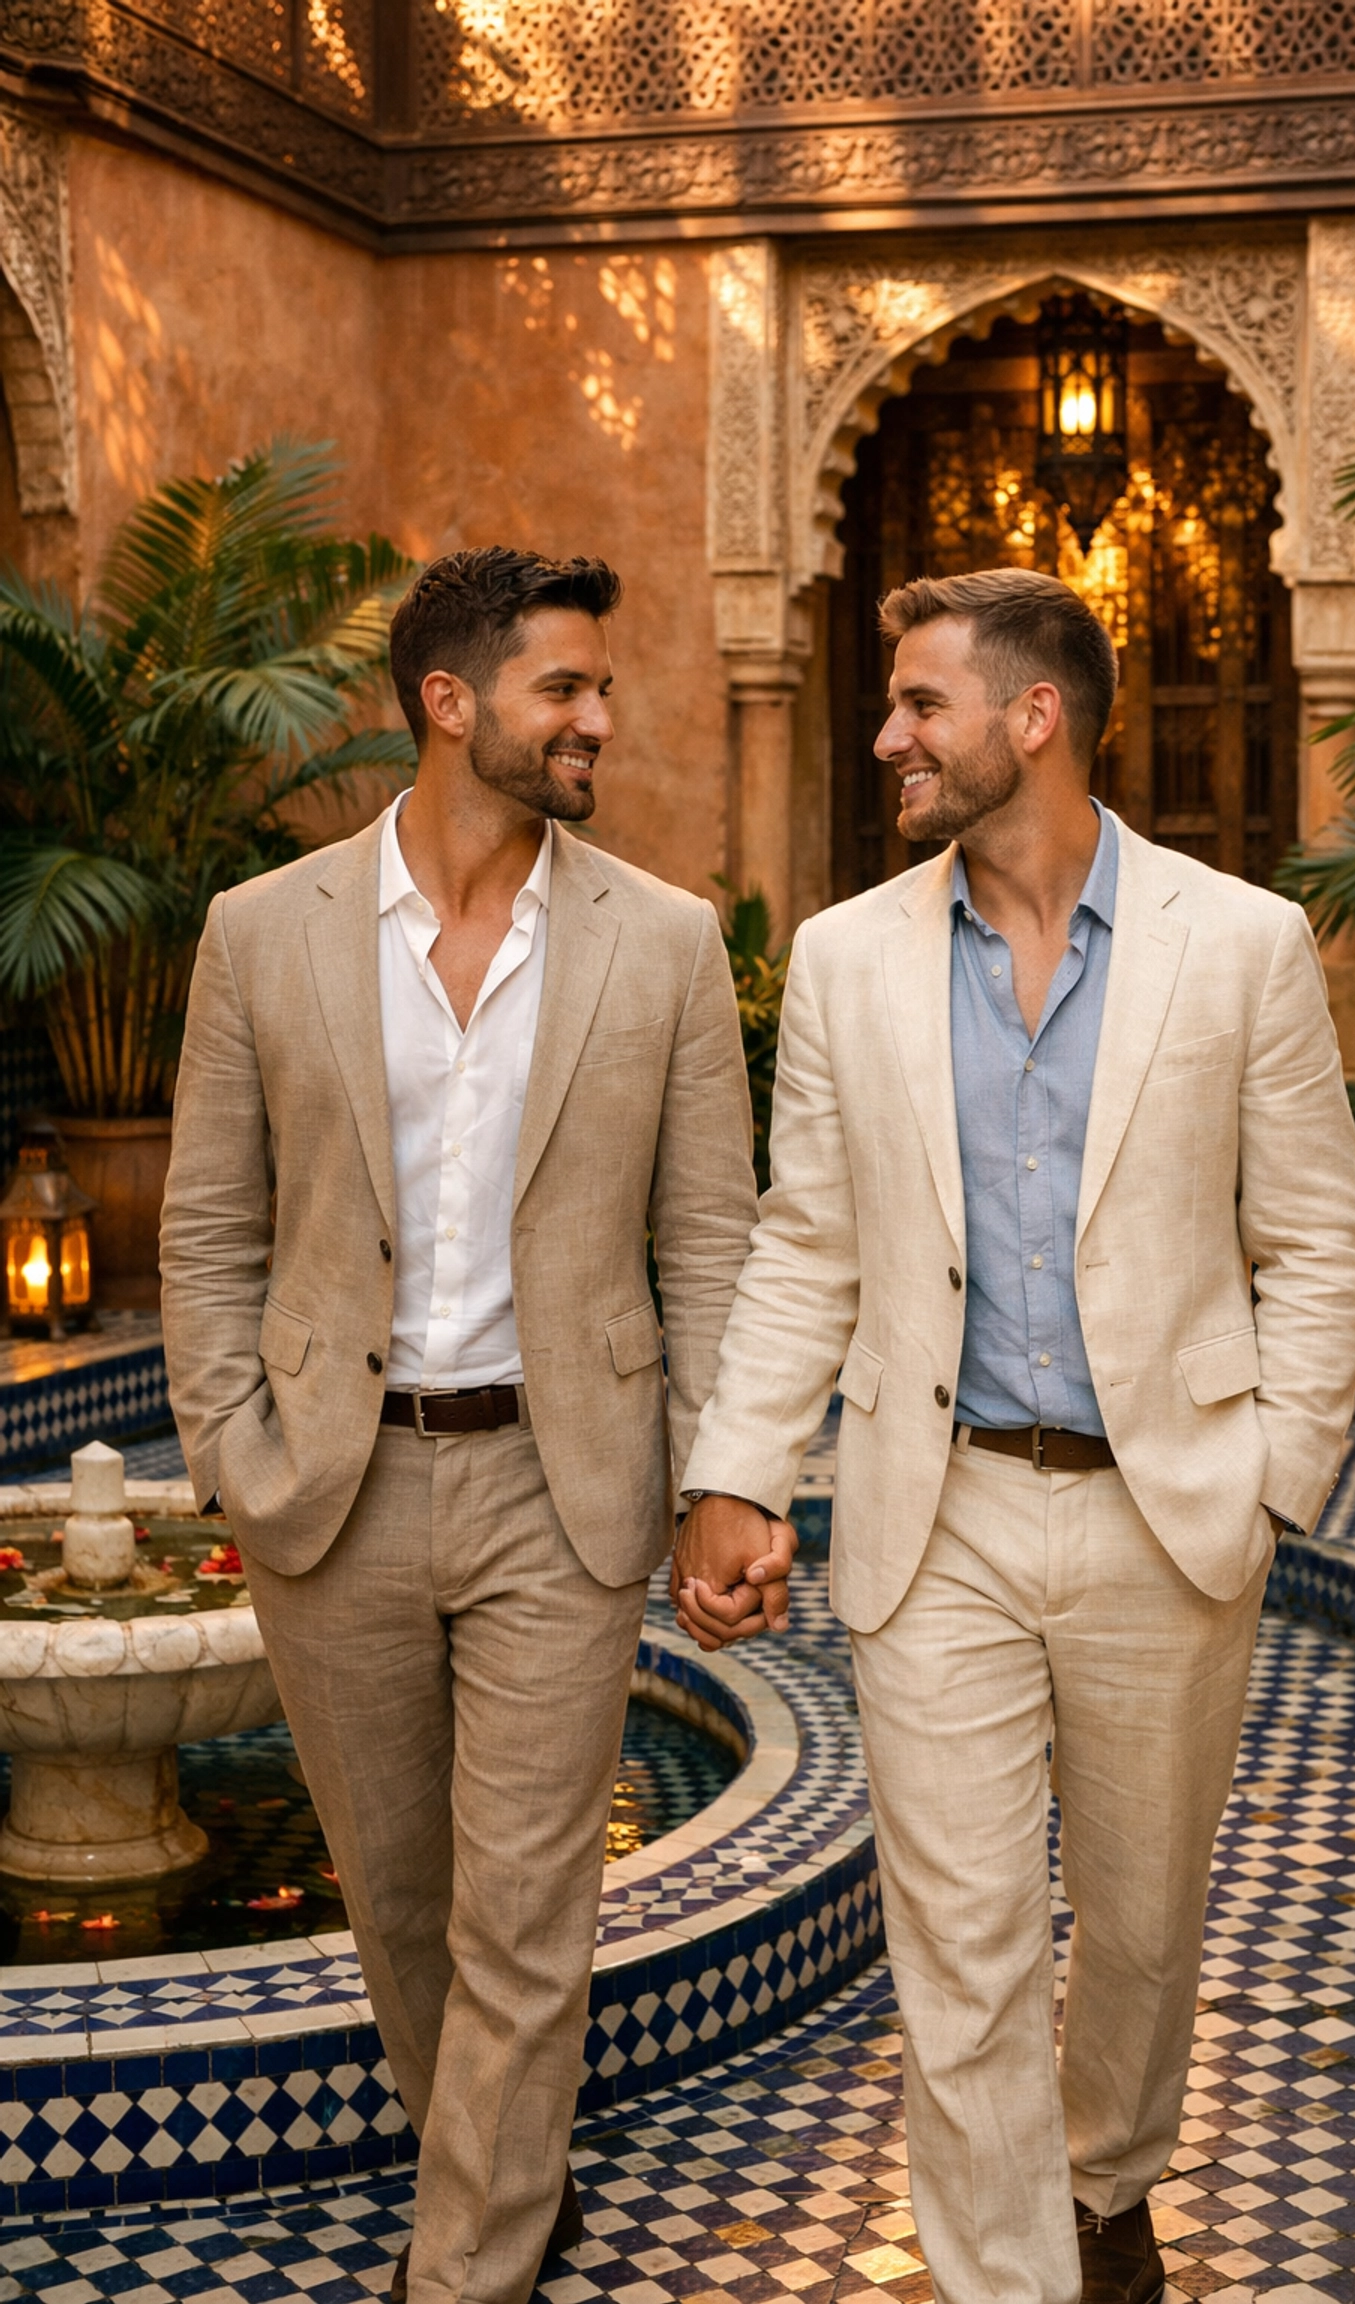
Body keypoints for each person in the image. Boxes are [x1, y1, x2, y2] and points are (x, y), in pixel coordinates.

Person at [671, 568, 1355, 2304]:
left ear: (1032, 718)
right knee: (963, 1954)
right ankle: (1011, 2278)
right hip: (943, 1519)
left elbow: (1313, 1240)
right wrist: (737, 1471)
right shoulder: (844, 961)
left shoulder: (1244, 943)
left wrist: (1272, 1482)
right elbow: (808, 1240)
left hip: (1170, 1515)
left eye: (921, 704)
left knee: (1136, 1933)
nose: (892, 734)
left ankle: (1110, 2179)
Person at [160, 548, 760, 2304]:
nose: (598, 717)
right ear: (450, 702)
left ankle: (464, 2264)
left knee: (524, 1917)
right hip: (330, 1487)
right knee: (401, 1902)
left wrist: (713, 1477)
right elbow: (209, 1223)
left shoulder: (660, 940)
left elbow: (710, 1237)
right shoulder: (259, 932)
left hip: (557, 1488)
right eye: (563, 688)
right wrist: (225, 1443)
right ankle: (497, 2165)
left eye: (596, 688)